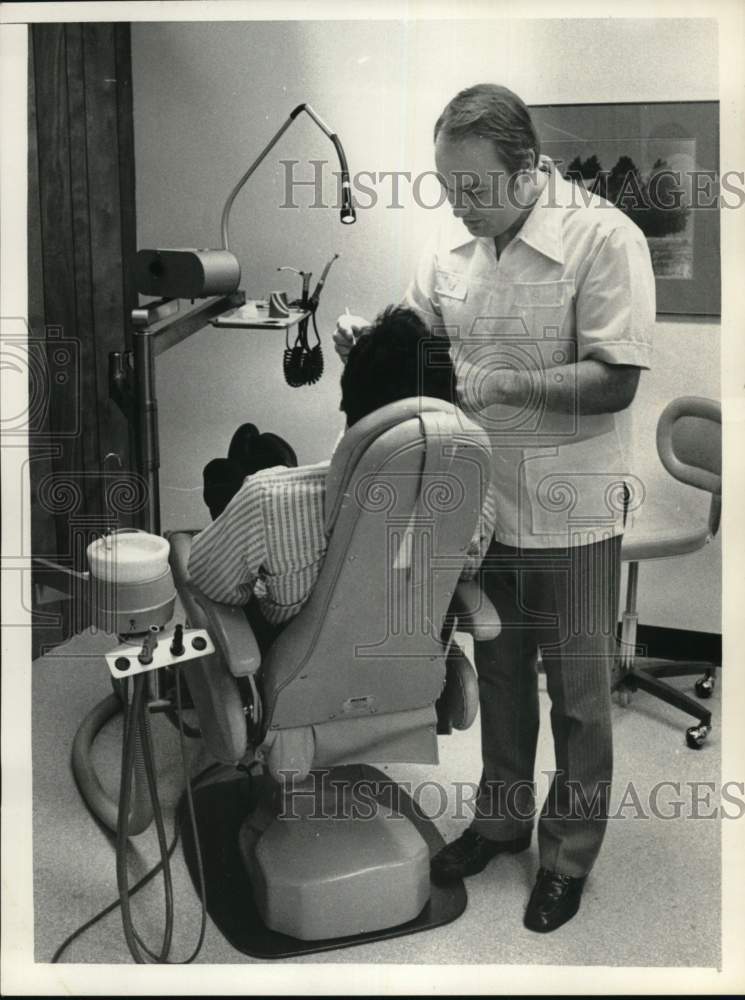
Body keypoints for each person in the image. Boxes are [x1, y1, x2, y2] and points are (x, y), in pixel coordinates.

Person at [334, 83, 655, 933]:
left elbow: (615, 381)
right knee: (502, 679)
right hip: (481, 511)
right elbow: (416, 335)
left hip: (575, 513)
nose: (458, 204)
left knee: (578, 699)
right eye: (447, 187)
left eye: (473, 188)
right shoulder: (456, 257)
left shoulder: (601, 239)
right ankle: (500, 821)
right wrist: (367, 340)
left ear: (527, 169)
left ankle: (566, 858)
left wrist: (503, 380)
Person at [188, 304, 495, 651]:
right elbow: (465, 569)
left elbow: (209, 581)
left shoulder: (269, 500)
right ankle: (263, 471)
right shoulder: (477, 500)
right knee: (264, 497)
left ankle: (241, 486)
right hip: (407, 671)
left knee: (228, 481)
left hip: (289, 663)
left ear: (350, 411)